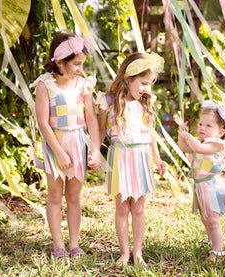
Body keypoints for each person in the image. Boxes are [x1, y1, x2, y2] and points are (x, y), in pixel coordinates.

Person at [30, 32, 101, 260]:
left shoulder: (83, 85)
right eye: (76, 64)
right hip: (55, 145)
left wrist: (96, 149)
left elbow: (90, 118)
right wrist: (59, 152)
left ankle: (74, 244)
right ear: (59, 62)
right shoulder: (45, 85)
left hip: (77, 142)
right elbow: (43, 122)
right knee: (54, 195)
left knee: (74, 195)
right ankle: (58, 245)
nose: (80, 69)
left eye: (82, 64)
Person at [96, 52, 166, 266]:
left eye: (150, 83)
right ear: (128, 78)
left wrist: (157, 157)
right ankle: (124, 253)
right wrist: (94, 153)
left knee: (138, 208)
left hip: (141, 156)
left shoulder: (145, 102)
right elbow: (99, 131)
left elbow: (150, 131)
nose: (147, 88)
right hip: (120, 158)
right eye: (144, 83)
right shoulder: (108, 102)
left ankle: (138, 253)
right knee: (122, 208)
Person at [174, 100, 225, 260]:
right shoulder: (200, 141)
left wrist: (188, 136)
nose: (202, 127)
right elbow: (185, 147)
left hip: (212, 187)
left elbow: (199, 149)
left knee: (213, 220)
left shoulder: (216, 144)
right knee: (205, 217)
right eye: (201, 124)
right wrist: (182, 134)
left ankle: (218, 250)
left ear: (221, 132)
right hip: (201, 187)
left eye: (208, 126)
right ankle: (210, 240)